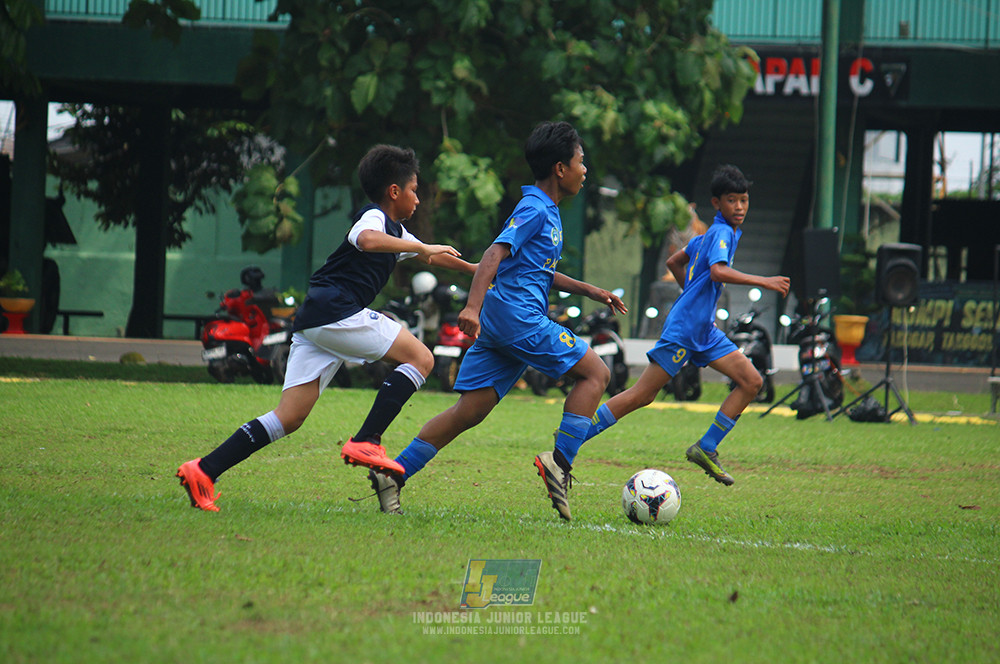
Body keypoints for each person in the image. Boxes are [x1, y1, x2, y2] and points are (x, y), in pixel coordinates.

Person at [350, 121, 626, 520]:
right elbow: (494, 255)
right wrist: (471, 308)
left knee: (469, 411)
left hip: (505, 321)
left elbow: (538, 271)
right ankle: (560, 463)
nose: (586, 171)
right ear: (560, 169)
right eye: (582, 162)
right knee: (596, 374)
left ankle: (395, 474)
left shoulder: (547, 210)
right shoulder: (534, 208)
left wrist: (592, 291)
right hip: (519, 319)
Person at [176, 144, 477, 512]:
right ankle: (367, 439)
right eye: (414, 189)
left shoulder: (396, 231)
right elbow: (367, 241)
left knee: (289, 417)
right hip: (335, 311)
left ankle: (204, 470)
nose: (418, 198)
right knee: (421, 358)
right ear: (394, 191)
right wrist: (424, 246)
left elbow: (435, 255)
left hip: (316, 320)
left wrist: (482, 271)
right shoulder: (372, 219)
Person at [582, 164, 790, 486]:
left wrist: (692, 294)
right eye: (732, 200)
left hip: (703, 329)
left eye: (744, 200)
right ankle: (575, 435)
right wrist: (763, 281)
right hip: (685, 329)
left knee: (751, 381)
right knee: (642, 394)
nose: (739, 207)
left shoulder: (709, 235)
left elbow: (674, 261)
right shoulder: (720, 233)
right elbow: (719, 272)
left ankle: (706, 448)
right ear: (717, 203)